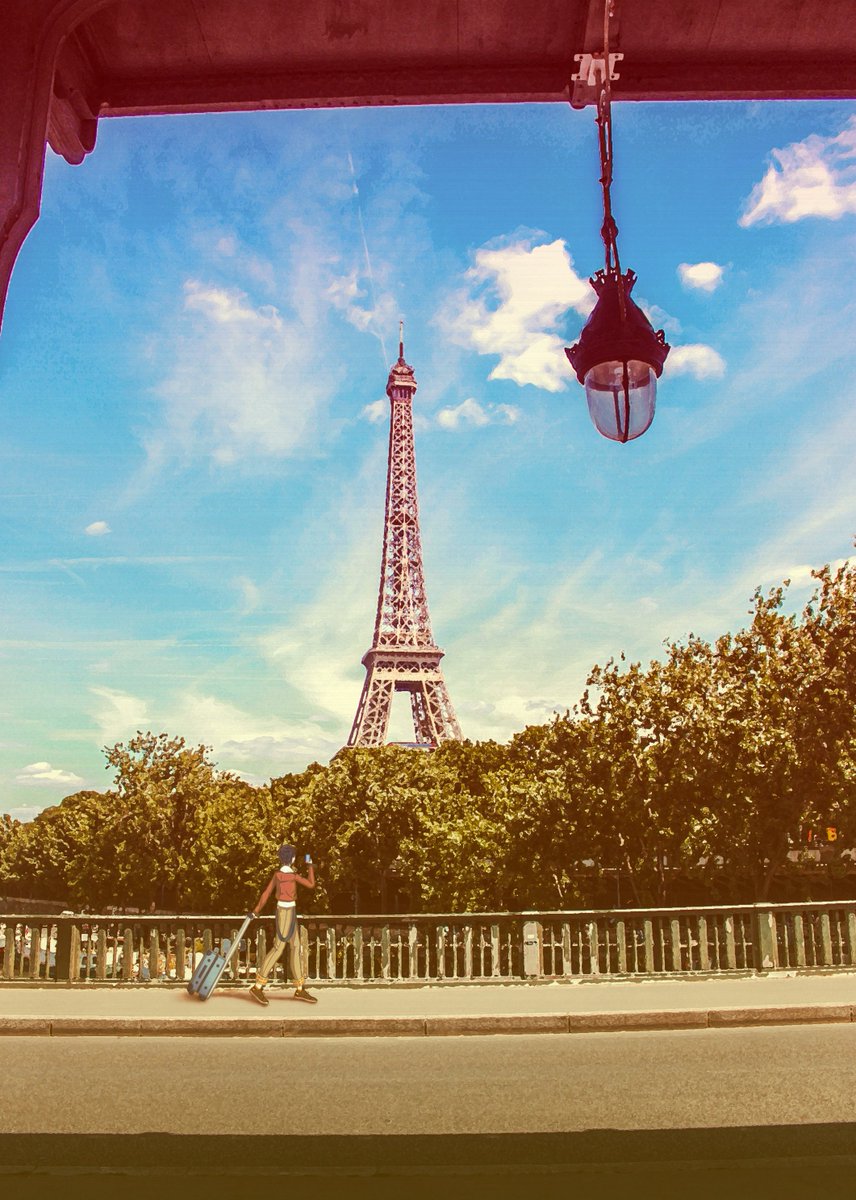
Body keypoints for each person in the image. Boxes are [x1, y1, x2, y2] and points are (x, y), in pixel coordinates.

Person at [248, 844, 317, 1006]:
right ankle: (257, 986)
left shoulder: (278, 875)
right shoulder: (291, 876)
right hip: (285, 912)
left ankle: (299, 988)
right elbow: (311, 884)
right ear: (292, 859)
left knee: (295, 946)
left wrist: (256, 910)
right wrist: (310, 866)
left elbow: (266, 893)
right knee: (279, 947)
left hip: (289, 912)